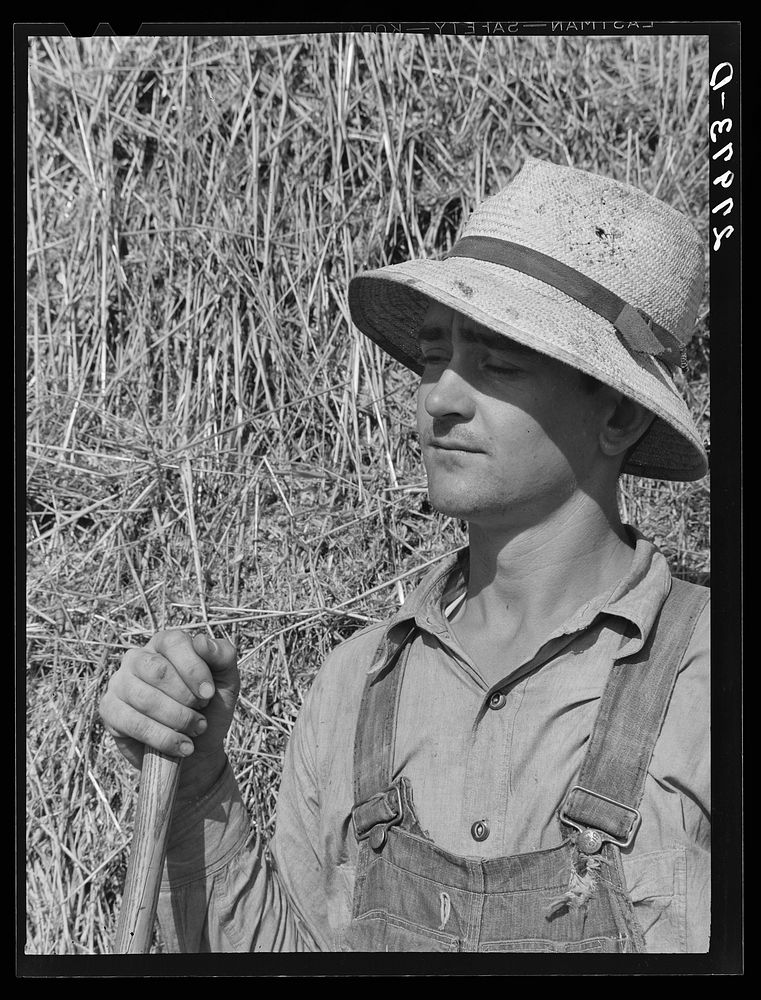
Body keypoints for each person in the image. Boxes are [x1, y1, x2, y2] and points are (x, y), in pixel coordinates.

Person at [99, 158, 710, 954]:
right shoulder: (355, 687)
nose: (439, 399)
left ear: (620, 417)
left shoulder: (710, 679)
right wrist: (196, 787)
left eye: (498, 362)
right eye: (430, 358)